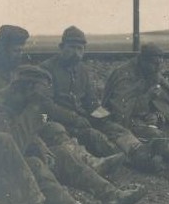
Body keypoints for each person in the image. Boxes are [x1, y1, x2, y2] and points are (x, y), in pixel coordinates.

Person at [0, 65, 116, 204]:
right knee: (35, 164)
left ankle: (112, 195)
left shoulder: (20, 102)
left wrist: (42, 148)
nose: (45, 98)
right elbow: (11, 146)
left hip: (12, 167)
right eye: (42, 93)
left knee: (61, 154)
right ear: (28, 88)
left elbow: (30, 134)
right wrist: (34, 109)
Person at [40, 26, 159, 171]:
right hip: (59, 121)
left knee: (113, 128)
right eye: (72, 48)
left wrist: (105, 117)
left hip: (81, 119)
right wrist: (74, 118)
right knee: (92, 136)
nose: (76, 53)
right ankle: (96, 163)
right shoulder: (46, 69)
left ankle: (139, 152)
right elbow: (46, 105)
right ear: (61, 47)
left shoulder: (82, 70)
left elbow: (91, 103)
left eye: (80, 49)